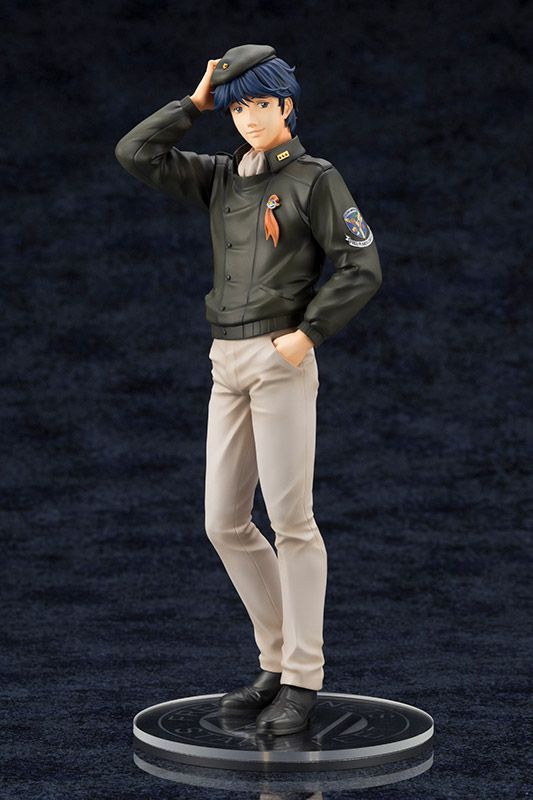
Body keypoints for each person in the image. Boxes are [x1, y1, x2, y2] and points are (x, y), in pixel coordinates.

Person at [114, 43, 382, 736]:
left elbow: (360, 265)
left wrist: (307, 335)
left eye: (261, 104)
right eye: (237, 108)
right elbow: (135, 154)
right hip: (224, 360)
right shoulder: (221, 177)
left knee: (292, 522)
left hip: (278, 356)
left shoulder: (315, 179)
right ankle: (275, 658)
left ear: (286, 105)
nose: (250, 118)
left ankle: (303, 678)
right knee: (224, 522)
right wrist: (193, 103)